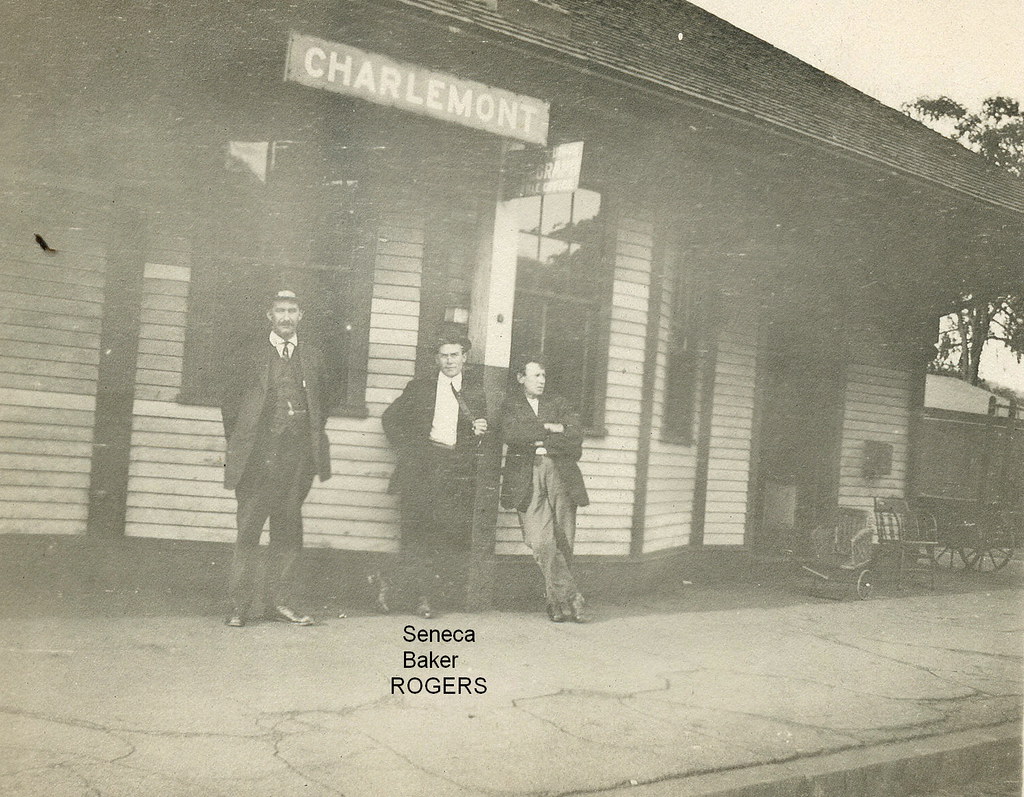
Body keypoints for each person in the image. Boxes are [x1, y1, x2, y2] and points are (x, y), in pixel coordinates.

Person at [221, 289, 333, 627]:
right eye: (279, 310)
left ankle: (282, 602)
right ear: (268, 315)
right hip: (256, 459)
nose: (286, 316)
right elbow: (230, 406)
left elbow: (322, 405)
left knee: (288, 531)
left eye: (292, 310)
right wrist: (244, 443)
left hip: (295, 460)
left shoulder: (313, 357)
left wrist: (304, 440)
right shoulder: (248, 355)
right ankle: (240, 606)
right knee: (248, 531)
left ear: (302, 316)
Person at [379, 330, 488, 617]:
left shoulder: (476, 394)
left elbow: (484, 434)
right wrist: (412, 449)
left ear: (465, 358)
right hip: (423, 468)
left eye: (455, 355)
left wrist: (479, 430)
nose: (449, 360)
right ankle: (417, 598)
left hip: (455, 472)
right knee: (416, 532)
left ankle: (425, 595)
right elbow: (390, 420)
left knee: (444, 534)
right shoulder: (420, 388)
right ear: (436, 359)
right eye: (444, 355)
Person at [500, 358, 590, 623]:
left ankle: (555, 603)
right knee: (540, 541)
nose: (541, 380)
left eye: (544, 375)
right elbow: (512, 434)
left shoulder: (558, 403)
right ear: (520, 378)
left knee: (563, 540)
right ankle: (572, 595)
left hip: (560, 473)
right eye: (536, 375)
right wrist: (552, 429)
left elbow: (575, 437)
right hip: (527, 475)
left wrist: (540, 434)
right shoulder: (511, 404)